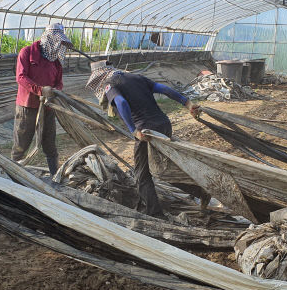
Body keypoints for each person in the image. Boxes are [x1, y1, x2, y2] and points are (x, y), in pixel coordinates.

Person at [86, 60, 201, 217]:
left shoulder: (109, 83)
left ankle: (155, 214)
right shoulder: (137, 77)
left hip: (146, 132)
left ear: (98, 77)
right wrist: (187, 103)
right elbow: (164, 89)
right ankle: (201, 193)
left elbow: (121, 102)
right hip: (164, 125)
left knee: (142, 176)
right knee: (164, 168)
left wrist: (134, 130)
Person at [11, 23, 71, 175]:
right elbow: (21, 77)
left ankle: (54, 176)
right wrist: (40, 90)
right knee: (21, 146)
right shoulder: (27, 53)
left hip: (48, 108)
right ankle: (14, 175)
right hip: (27, 107)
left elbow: (59, 82)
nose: (59, 46)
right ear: (49, 39)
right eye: (58, 42)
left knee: (50, 145)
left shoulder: (56, 61)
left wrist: (56, 91)